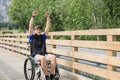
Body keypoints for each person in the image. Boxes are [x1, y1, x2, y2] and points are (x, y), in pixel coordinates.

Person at [28, 11, 56, 80]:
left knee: (53, 57)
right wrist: (33, 17)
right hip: (36, 55)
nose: (38, 30)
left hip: (44, 54)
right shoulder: (32, 37)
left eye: (40, 29)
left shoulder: (43, 36)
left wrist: (48, 17)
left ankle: (52, 75)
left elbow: (48, 27)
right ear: (34, 31)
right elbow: (30, 27)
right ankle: (47, 76)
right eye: (37, 29)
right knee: (42, 58)